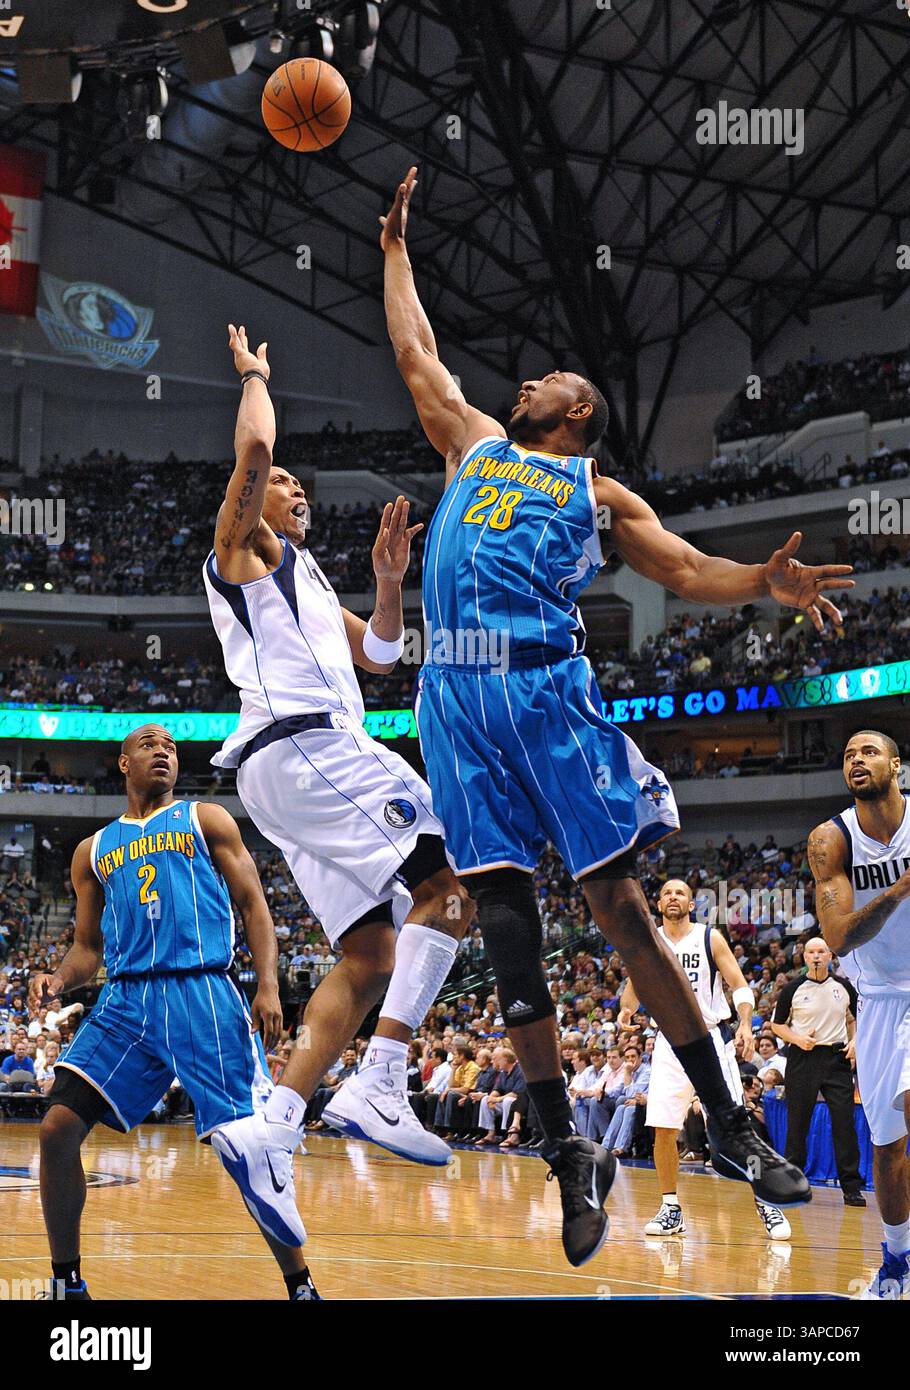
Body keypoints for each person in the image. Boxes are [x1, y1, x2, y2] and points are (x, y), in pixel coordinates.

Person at [380, 167, 829, 1264]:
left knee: (622, 909)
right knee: (504, 927)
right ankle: (560, 1147)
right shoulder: (476, 444)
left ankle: (727, 1123)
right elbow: (417, 359)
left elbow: (678, 565)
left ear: (574, 411)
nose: (527, 377)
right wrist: (393, 252)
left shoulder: (594, 491)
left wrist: (759, 584)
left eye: (550, 377)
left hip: (542, 690)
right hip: (452, 700)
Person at [202, 325, 476, 1176]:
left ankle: (278, 1124)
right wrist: (254, 374)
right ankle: (380, 1081)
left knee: (371, 954)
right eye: (279, 483)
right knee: (450, 888)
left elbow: (382, 655)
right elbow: (253, 441)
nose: (290, 485)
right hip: (308, 748)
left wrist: (391, 581)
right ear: (252, 501)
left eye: (293, 481)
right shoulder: (240, 554)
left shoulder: (310, 578)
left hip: (290, 773)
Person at [30, 724, 320, 1302]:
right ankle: (67, 1284)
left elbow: (256, 907)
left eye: (170, 746)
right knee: (57, 1129)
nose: (163, 750)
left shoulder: (205, 818)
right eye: (149, 743)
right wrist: (59, 978)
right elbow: (88, 947)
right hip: (126, 1000)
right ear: (122, 763)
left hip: (201, 992)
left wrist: (266, 983)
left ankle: (301, 1286)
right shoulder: (93, 851)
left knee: (247, 1151)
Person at [619, 880, 790, 1242]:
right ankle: (670, 1208)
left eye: (679, 893)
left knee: (735, 1127)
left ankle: (766, 1198)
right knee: (664, 1128)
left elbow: (740, 985)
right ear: (659, 903)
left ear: (692, 904)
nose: (672, 897)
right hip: (668, 1042)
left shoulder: (709, 938)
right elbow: (632, 992)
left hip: (711, 1037)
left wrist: (745, 1022)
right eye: (666, 893)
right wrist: (624, 1012)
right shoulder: (649, 943)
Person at [808, 730, 910, 1298]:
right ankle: (897, 1263)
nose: (856, 761)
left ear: (896, 764)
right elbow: (838, 936)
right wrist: (900, 891)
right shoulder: (831, 839)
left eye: (869, 752)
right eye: (847, 754)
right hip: (876, 1000)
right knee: (887, 1146)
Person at [772, 935, 865, 1206]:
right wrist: (798, 1039)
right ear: (804, 958)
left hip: (836, 1059)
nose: (816, 956)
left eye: (821, 952)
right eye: (811, 952)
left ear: (830, 956)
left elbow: (856, 1019)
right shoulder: (792, 988)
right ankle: (794, 1183)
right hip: (803, 1057)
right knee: (798, 1123)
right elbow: (777, 1025)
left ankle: (851, 1187)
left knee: (844, 1124)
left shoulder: (844, 986)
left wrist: (855, 1042)